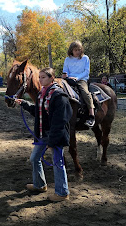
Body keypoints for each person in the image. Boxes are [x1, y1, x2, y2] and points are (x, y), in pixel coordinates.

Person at [15, 67, 72, 202]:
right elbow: (38, 111)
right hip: (43, 134)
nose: (40, 80)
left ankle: (62, 193)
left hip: (55, 135)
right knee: (34, 158)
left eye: (43, 77)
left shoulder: (59, 96)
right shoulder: (42, 93)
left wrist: (53, 141)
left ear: (51, 78)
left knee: (58, 163)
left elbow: (60, 121)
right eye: (39, 77)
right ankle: (40, 185)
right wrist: (24, 104)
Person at [62, 40, 95, 127]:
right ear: (71, 50)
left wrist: (77, 78)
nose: (77, 52)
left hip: (81, 79)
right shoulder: (67, 59)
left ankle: (91, 115)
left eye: (79, 50)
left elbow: (86, 72)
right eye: (75, 50)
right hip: (69, 80)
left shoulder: (85, 58)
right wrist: (66, 76)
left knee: (85, 92)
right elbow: (65, 70)